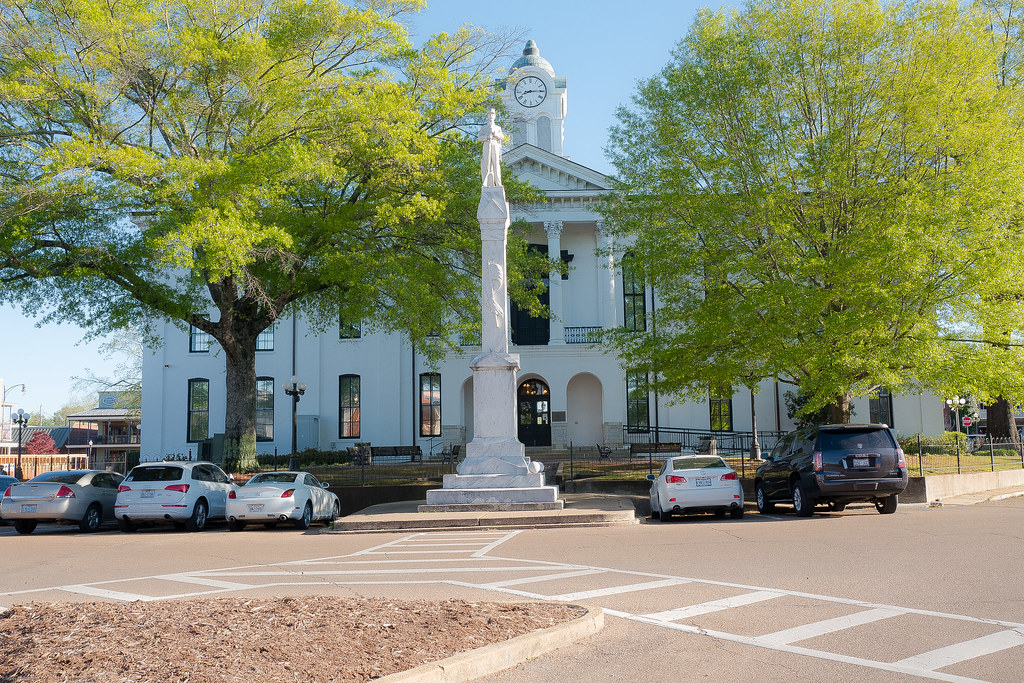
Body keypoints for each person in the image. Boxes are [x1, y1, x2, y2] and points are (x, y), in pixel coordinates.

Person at [478, 108, 504, 187]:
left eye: (492, 114)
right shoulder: (484, 128)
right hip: (487, 144)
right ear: (487, 116)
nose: (491, 116)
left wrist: (495, 134)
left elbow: (502, 137)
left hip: (495, 143)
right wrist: (486, 137)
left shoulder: (497, 128)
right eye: (489, 114)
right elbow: (479, 138)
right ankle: (485, 182)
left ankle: (498, 183)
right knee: (486, 164)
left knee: (496, 164)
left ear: (495, 116)